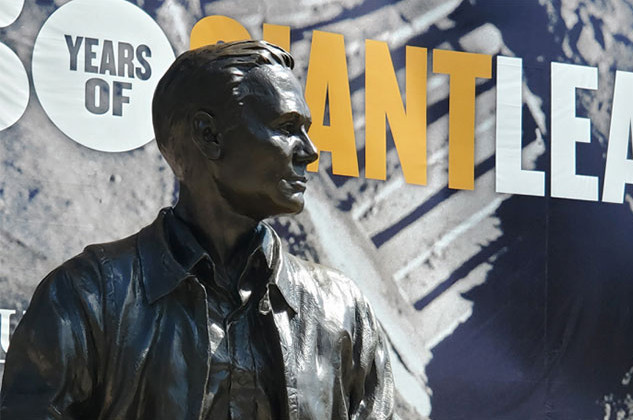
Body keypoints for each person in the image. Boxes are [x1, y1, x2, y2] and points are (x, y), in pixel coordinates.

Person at [0, 40, 394, 420]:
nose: (309, 151)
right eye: (287, 127)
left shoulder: (343, 311)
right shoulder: (86, 298)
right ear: (209, 135)